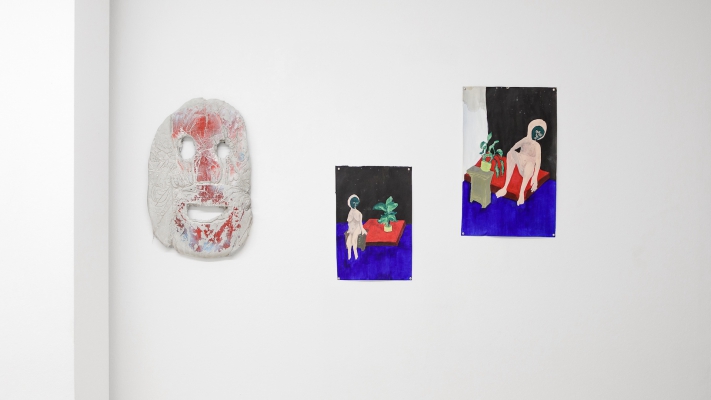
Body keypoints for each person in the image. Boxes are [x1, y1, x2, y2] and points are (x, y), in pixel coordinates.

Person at [495, 119, 546, 206]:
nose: (537, 135)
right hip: (520, 162)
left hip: (528, 167)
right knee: (510, 153)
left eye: (539, 134)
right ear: (531, 129)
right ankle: (505, 187)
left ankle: (521, 193)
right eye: (536, 132)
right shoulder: (525, 140)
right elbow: (514, 148)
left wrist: (535, 176)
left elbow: (538, 160)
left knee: (530, 165)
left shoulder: (537, 146)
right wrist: (512, 156)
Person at [345, 194, 367, 260]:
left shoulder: (359, 213)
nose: (354, 204)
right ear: (350, 203)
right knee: (348, 242)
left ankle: (356, 256)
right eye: (353, 203)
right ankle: (349, 257)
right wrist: (349, 230)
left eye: (356, 203)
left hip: (357, 229)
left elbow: (360, 223)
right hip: (351, 230)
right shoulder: (350, 213)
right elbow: (349, 223)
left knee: (354, 240)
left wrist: (362, 230)